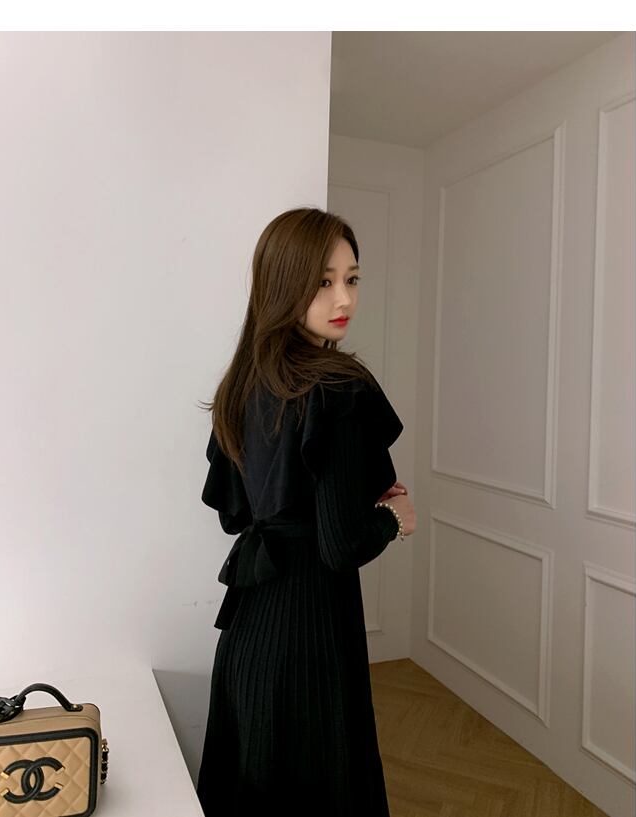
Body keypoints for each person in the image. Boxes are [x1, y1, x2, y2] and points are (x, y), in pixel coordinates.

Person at [195, 206, 417, 816]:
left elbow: (236, 515)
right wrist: (395, 519)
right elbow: (340, 545)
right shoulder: (337, 386)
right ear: (284, 283)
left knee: (254, 788)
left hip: (250, 630)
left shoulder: (243, 384)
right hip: (311, 633)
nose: (343, 298)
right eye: (323, 281)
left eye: (352, 278)